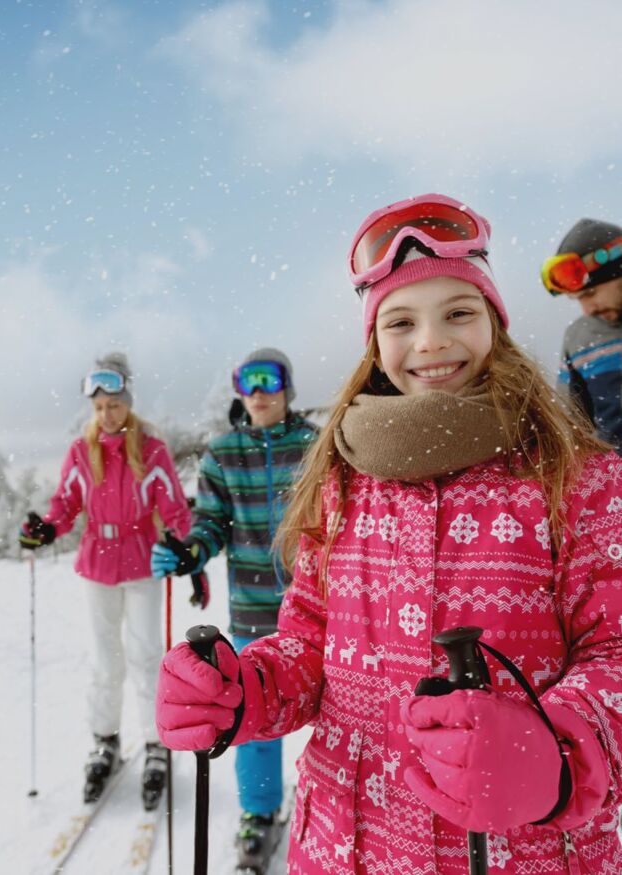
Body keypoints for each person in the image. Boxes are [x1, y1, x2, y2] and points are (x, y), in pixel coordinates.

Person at [155, 195, 622, 873]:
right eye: (400, 320)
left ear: (495, 320)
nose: (430, 341)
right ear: (374, 340)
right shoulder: (339, 479)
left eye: (457, 312)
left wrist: (553, 752)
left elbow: (613, 649)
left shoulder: (578, 478)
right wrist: (243, 691)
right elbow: (310, 646)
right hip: (344, 848)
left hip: (525, 852)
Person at [150, 348, 318, 871]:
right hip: (251, 611)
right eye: (249, 381)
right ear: (239, 391)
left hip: (319, 613)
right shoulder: (222, 453)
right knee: (251, 717)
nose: (261, 390)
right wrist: (189, 552)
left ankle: (339, 803)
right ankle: (260, 812)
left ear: (288, 386)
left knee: (339, 715)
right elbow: (212, 525)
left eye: (271, 379)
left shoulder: (315, 446)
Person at [19, 352, 194, 808]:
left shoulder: (150, 450)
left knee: (144, 654)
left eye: (113, 404)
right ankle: (105, 740)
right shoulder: (82, 451)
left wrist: (185, 547)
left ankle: (156, 744)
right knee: (104, 660)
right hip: (98, 562)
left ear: (127, 402)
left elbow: (174, 506)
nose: (106, 413)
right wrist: (46, 529)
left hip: (141, 563)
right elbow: (65, 505)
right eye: (99, 407)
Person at [541, 217, 622, 451]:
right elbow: (570, 422)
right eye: (578, 299)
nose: (588, 310)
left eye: (591, 293)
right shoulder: (579, 337)